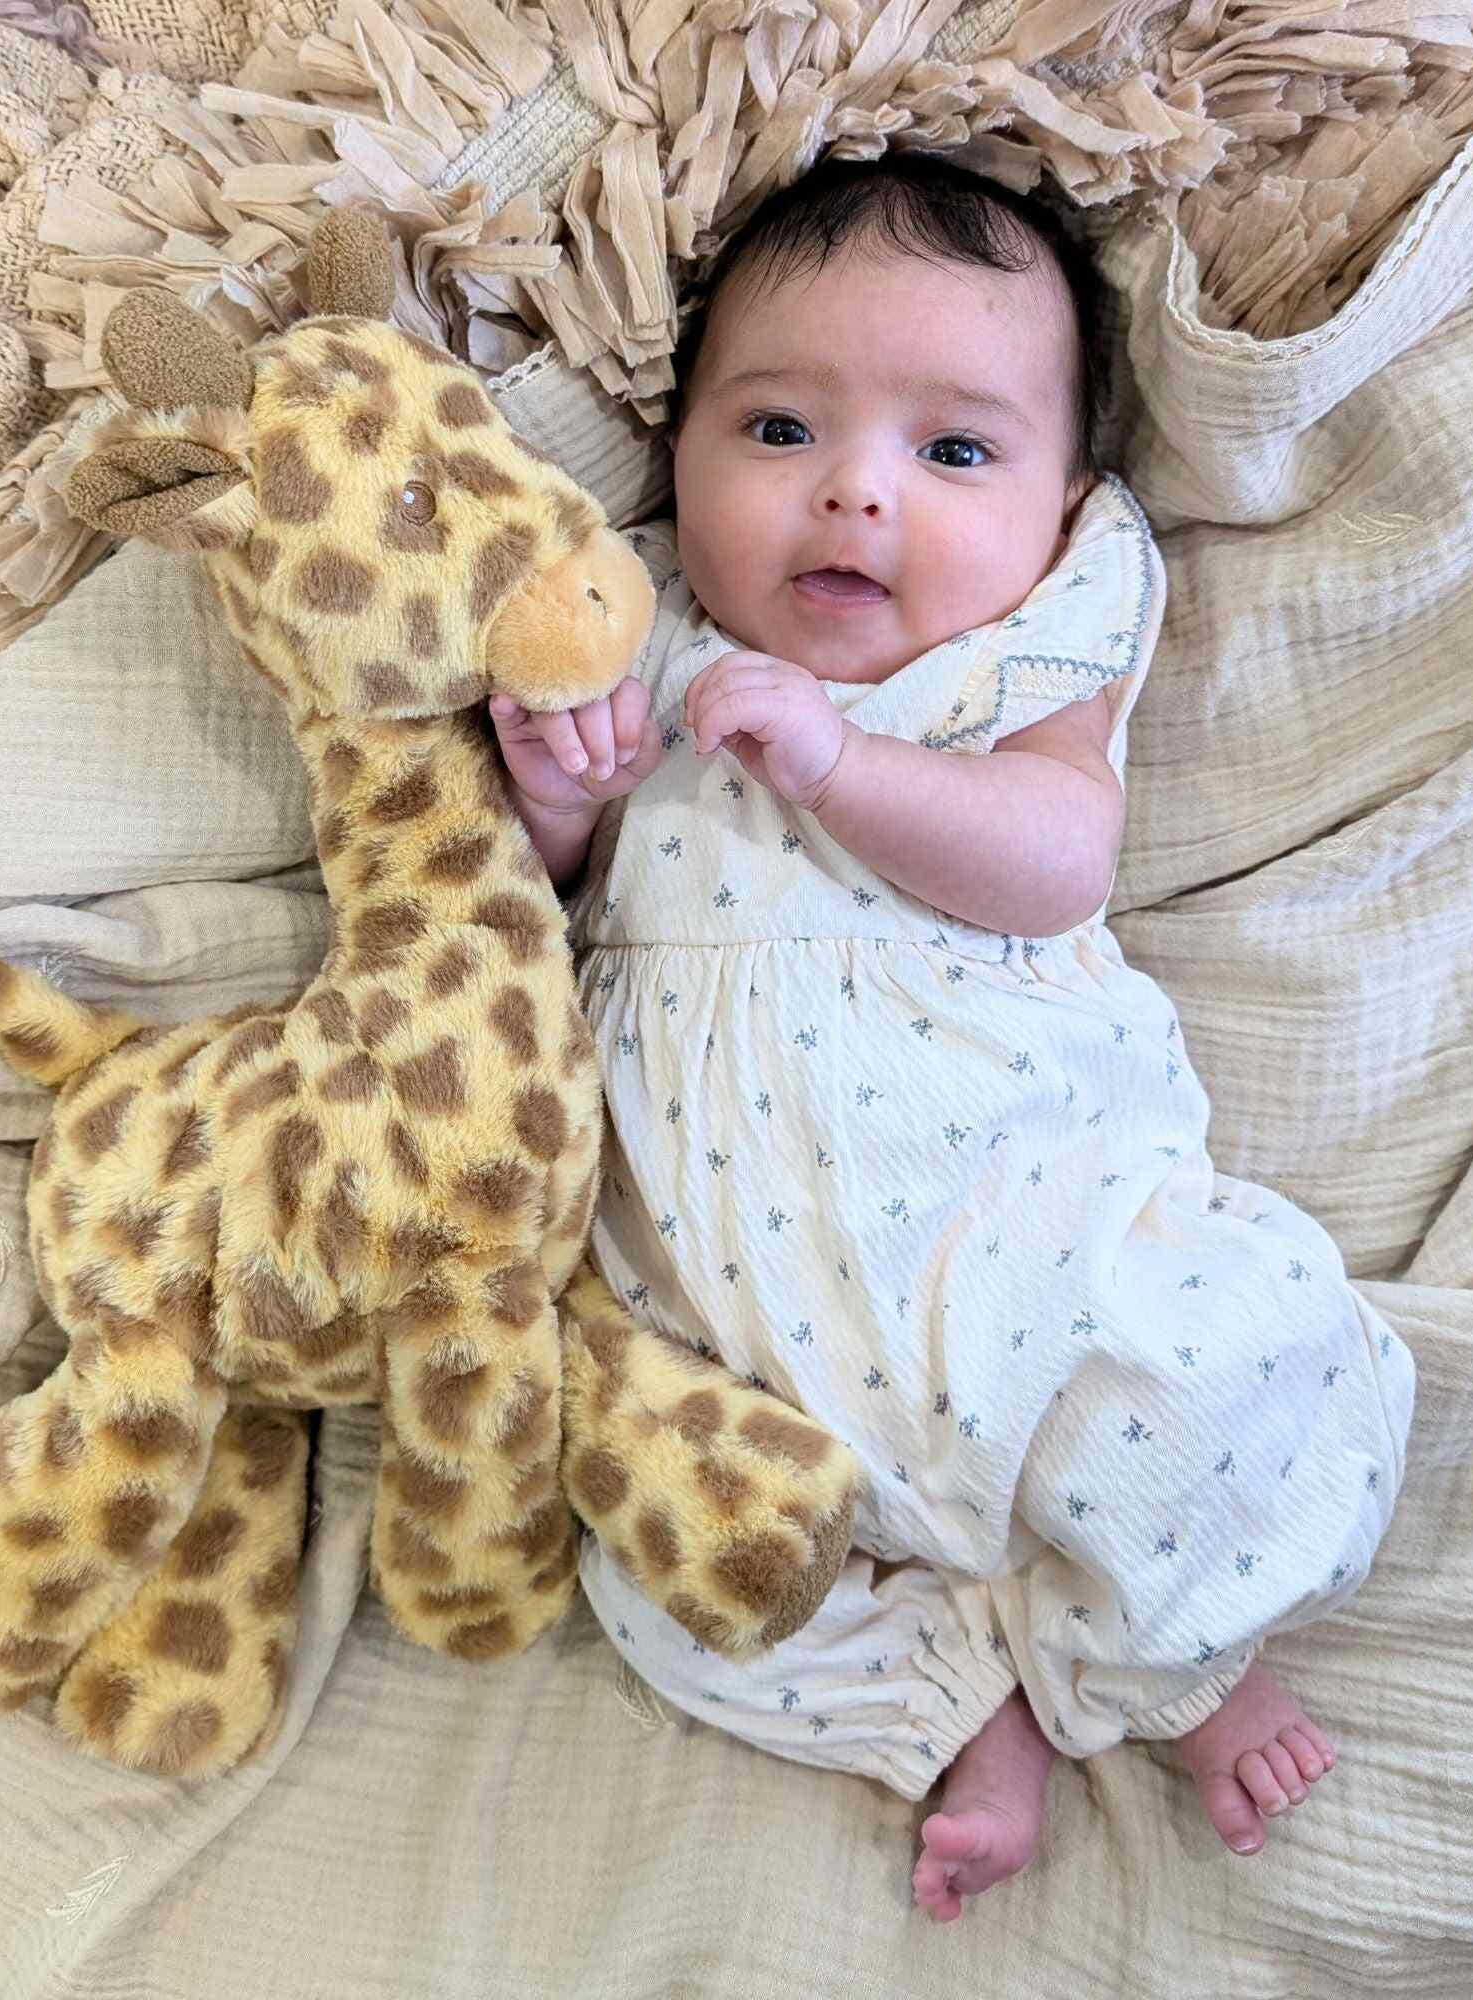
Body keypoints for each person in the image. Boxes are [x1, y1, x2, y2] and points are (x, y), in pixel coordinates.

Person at [486, 150, 1415, 1924]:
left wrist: (848, 766)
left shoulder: (1019, 665)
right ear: (676, 454)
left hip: (1020, 1236)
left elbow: (1061, 863)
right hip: (725, 1312)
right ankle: (951, 1701)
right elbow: (532, 920)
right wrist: (553, 803)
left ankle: (1182, 1666)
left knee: (1216, 1360)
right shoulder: (636, 638)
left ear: (1065, 506)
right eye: (778, 430)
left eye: (955, 452)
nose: (855, 493)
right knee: (656, 1548)